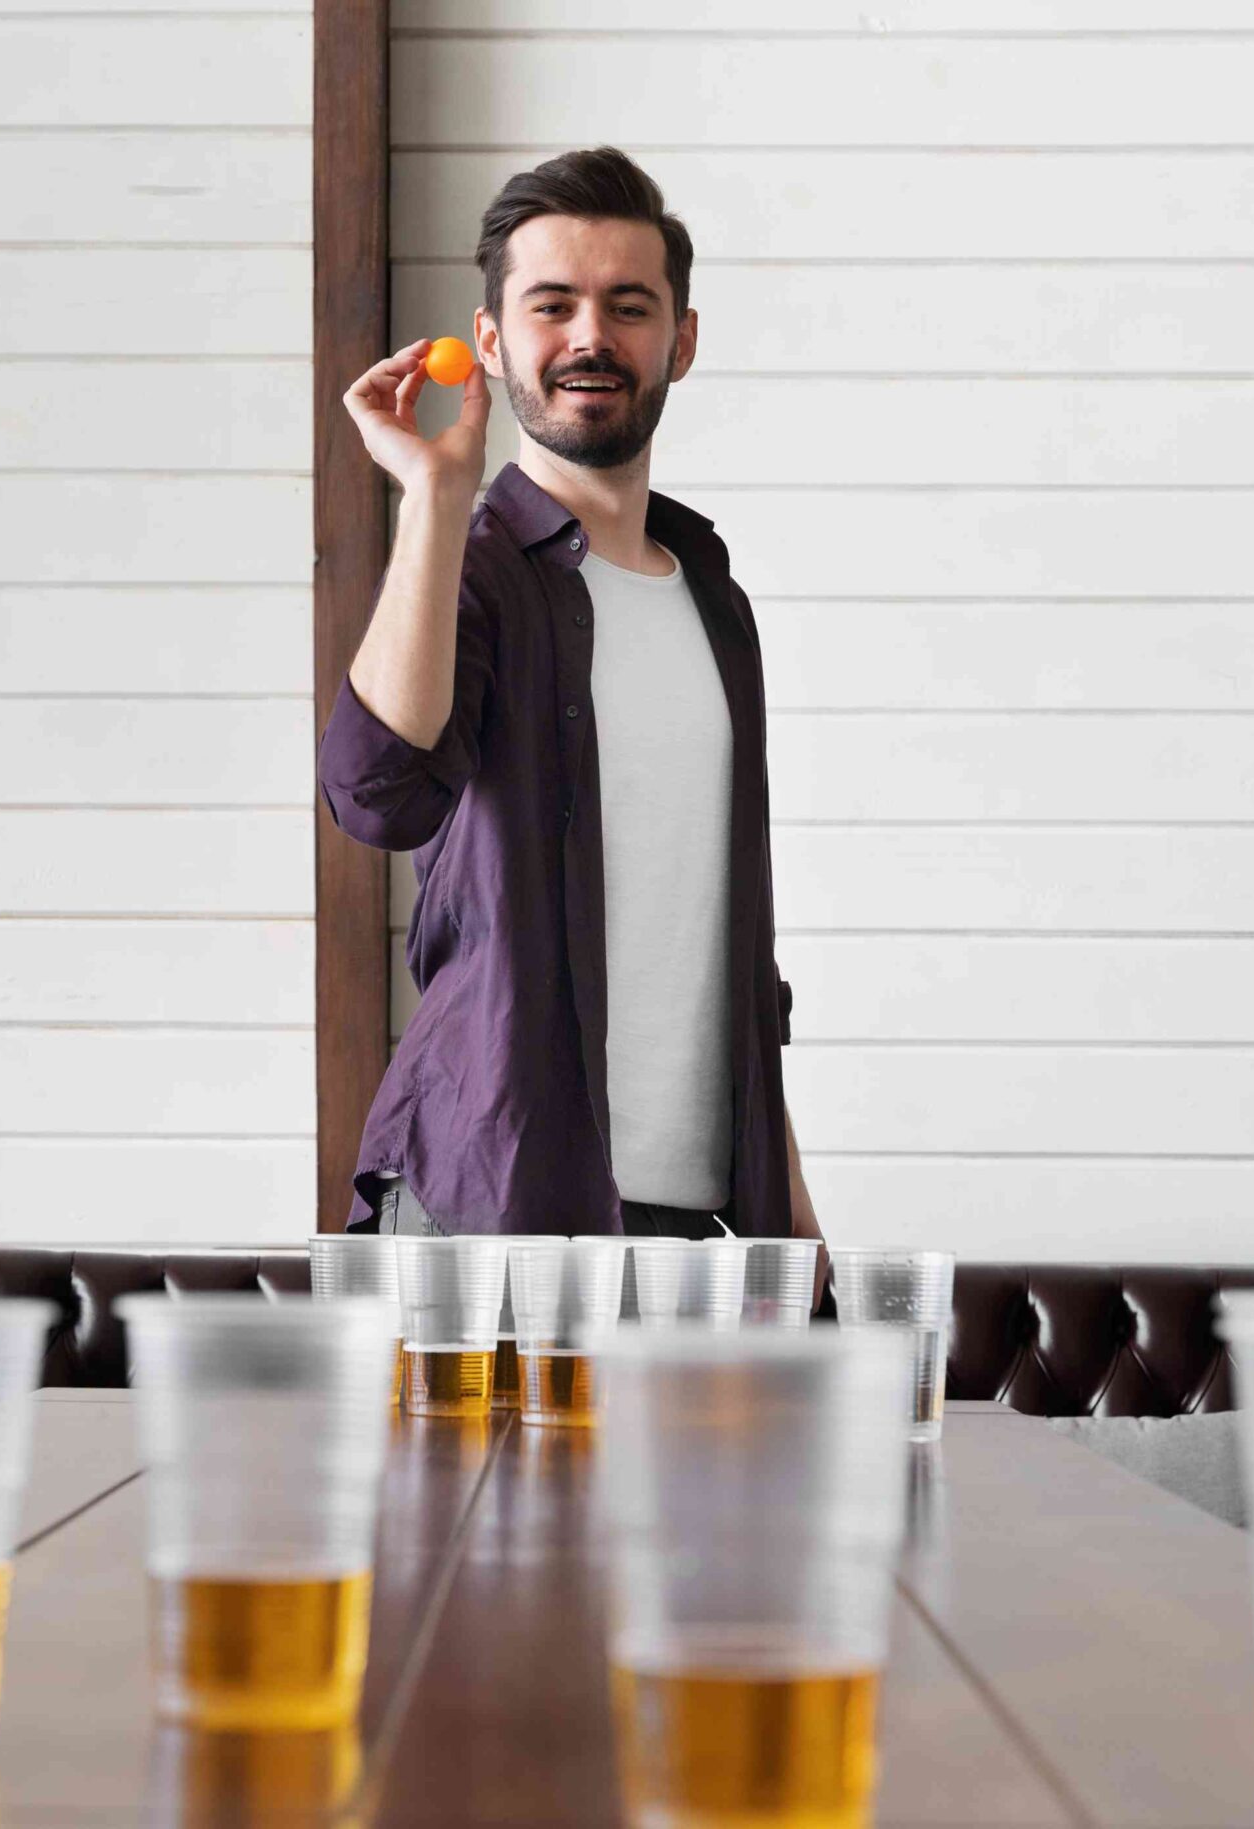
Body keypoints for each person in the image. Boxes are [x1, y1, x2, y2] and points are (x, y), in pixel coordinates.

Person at [320, 146, 821, 1260]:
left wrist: (792, 1209)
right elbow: (376, 793)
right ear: (490, 341)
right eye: (552, 306)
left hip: (699, 1221)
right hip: (487, 1199)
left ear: (680, 342)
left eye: (628, 306)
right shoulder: (471, 567)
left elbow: (725, 945)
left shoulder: (714, 599)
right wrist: (437, 500)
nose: (590, 336)